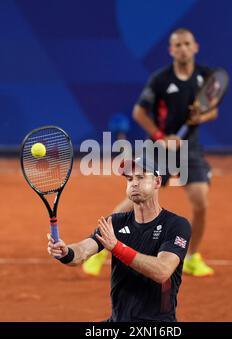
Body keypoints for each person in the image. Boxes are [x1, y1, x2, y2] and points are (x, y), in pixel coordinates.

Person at [83, 28, 218, 277]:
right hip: (158, 147)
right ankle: (100, 248)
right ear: (171, 50)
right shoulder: (160, 79)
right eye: (177, 45)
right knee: (133, 197)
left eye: (187, 44)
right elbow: (139, 113)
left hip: (190, 148)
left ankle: (192, 257)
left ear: (195, 47)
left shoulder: (206, 76)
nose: (183, 48)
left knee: (200, 202)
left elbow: (213, 110)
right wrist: (161, 137)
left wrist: (202, 115)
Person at [47, 156, 191, 322]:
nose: (134, 183)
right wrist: (66, 252)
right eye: (129, 179)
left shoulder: (175, 225)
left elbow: (162, 271)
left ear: (157, 182)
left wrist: (117, 248)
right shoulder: (115, 222)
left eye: (141, 177)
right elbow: (82, 251)